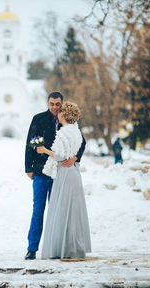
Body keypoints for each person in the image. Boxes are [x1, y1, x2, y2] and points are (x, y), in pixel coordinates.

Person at [24, 92, 86, 260]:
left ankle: (55, 248)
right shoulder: (38, 119)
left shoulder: (68, 121)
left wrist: (76, 157)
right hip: (41, 172)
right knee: (38, 210)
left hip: (61, 175)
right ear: (48, 103)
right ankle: (32, 248)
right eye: (52, 104)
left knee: (58, 212)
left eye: (57, 104)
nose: (54, 107)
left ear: (62, 103)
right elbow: (31, 142)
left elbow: (82, 141)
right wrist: (28, 168)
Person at [37, 101, 91, 260]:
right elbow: (74, 151)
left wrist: (44, 150)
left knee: (61, 209)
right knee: (73, 211)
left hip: (64, 174)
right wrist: (74, 157)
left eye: (60, 111)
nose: (58, 114)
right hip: (74, 172)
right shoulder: (76, 131)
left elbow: (59, 156)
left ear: (64, 114)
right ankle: (72, 247)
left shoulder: (63, 132)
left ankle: (61, 248)